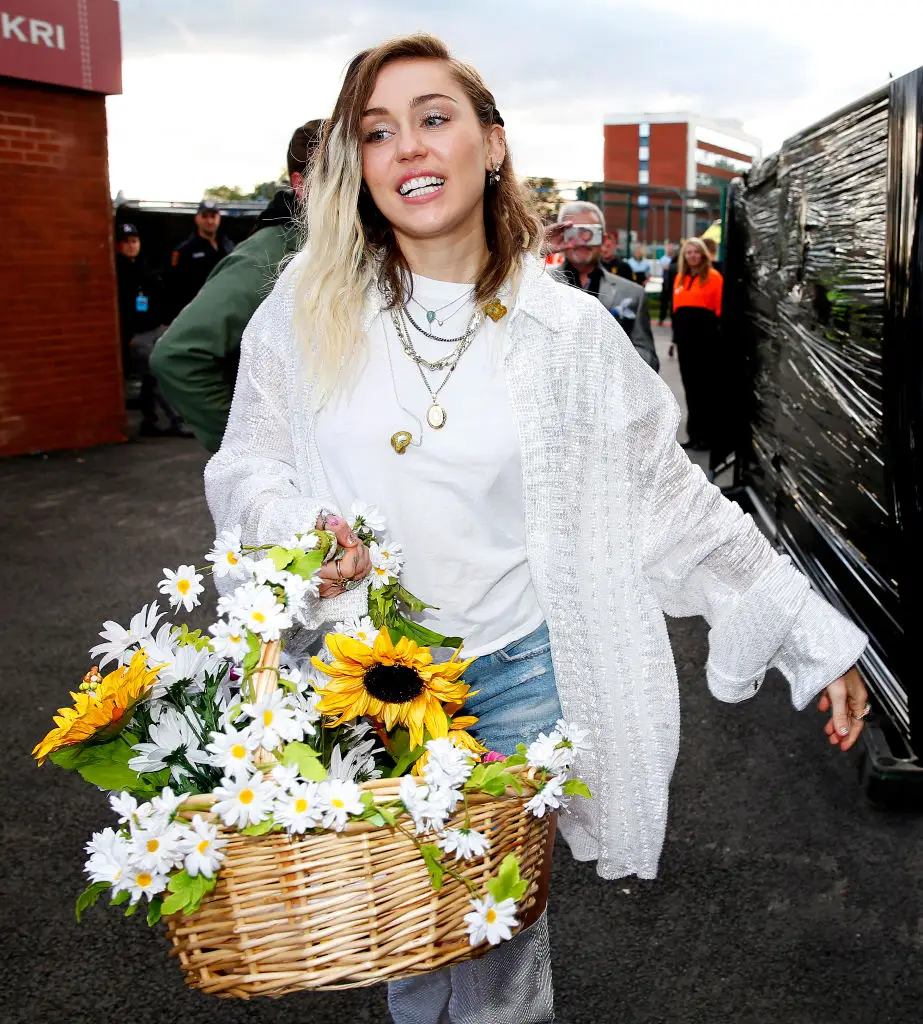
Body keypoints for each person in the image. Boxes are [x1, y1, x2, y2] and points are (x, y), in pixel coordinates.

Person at [205, 34, 869, 1024]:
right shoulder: (302, 312)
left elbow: (671, 501)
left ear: (491, 144)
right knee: (406, 935)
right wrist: (297, 527)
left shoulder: (567, 336)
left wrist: (812, 635)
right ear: (358, 165)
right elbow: (246, 466)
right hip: (365, 680)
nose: (406, 146)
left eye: (433, 117)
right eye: (376, 131)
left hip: (518, 680)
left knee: (496, 944)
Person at [151, 120, 325, 452]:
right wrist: (255, 451)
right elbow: (178, 356)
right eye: (338, 174)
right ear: (301, 185)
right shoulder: (271, 255)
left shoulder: (332, 244)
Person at [546, 201, 658, 371]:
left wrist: (607, 358)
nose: (582, 242)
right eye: (573, 232)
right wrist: (539, 247)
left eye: (590, 233)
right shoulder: (538, 283)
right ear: (561, 235)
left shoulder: (632, 293)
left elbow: (649, 360)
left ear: (603, 239)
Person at [114, 223, 187, 437]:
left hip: (155, 329)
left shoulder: (145, 267)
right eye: (126, 242)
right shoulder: (117, 272)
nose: (131, 246)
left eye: (134, 241)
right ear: (119, 245)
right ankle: (177, 420)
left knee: (150, 378)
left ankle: (149, 421)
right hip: (136, 335)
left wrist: (164, 324)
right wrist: (127, 337)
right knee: (156, 373)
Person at [671, 236, 723, 451]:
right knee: (691, 389)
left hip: (706, 343)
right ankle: (694, 435)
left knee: (706, 389)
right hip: (685, 343)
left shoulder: (714, 277)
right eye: (688, 252)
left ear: (703, 254)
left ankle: (708, 436)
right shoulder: (679, 278)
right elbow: (676, 311)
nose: (692, 256)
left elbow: (719, 311)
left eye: (695, 252)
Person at [164, 199, 235, 321]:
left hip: (225, 310)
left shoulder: (228, 245)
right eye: (205, 216)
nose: (210, 221)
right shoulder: (185, 250)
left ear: (219, 218)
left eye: (213, 216)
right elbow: (174, 288)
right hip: (196, 314)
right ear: (197, 219)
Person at [659, 241, 677, 325]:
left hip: (674, 282)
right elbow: (665, 267)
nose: (670, 249)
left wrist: (670, 267)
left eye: (672, 247)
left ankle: (673, 319)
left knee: (673, 302)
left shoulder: (676, 258)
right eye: (669, 247)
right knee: (664, 301)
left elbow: (669, 268)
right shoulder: (663, 259)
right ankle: (661, 318)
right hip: (666, 282)